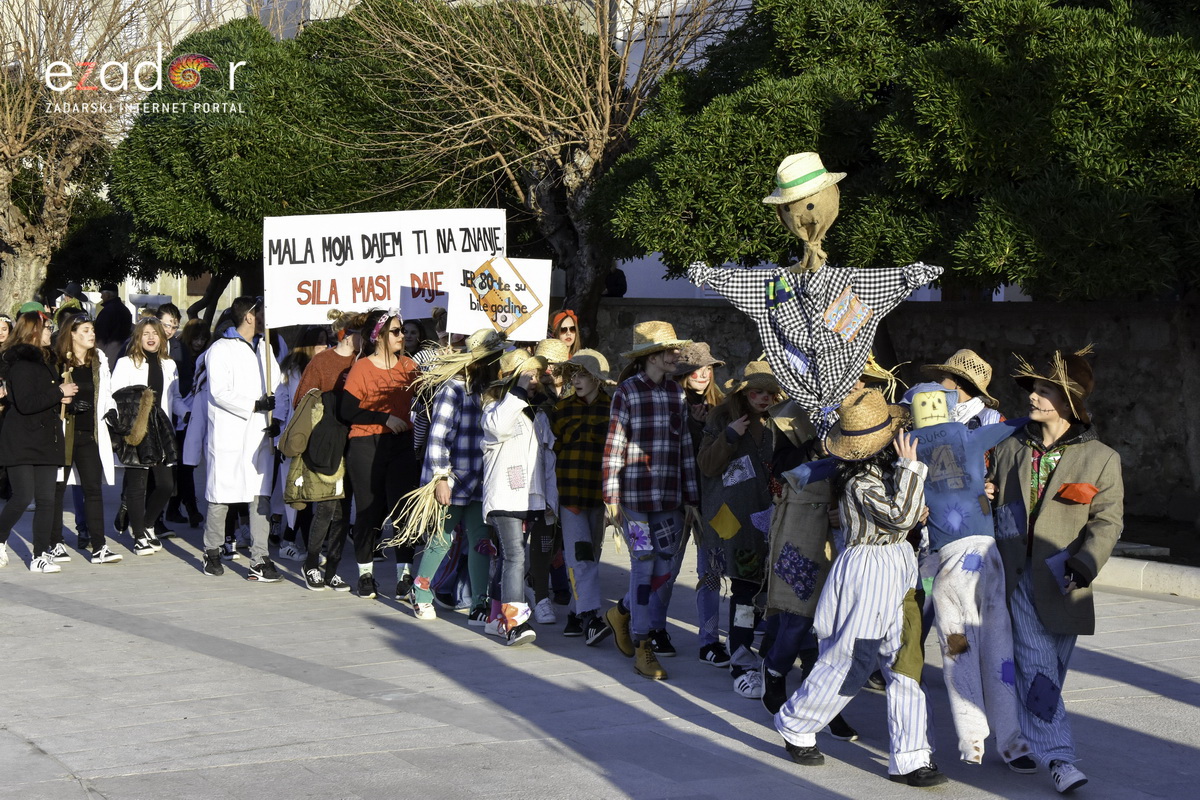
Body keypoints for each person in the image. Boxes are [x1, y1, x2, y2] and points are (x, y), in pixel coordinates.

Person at [774, 388, 946, 788]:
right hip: (867, 569)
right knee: (852, 658)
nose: (904, 442)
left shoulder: (887, 473)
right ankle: (796, 723)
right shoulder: (858, 480)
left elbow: (904, 519)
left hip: (899, 565)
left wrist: (914, 500)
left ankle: (911, 757)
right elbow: (900, 516)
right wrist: (910, 471)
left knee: (906, 662)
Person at [991, 347, 1123, 794]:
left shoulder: (1102, 458)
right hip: (1015, 576)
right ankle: (1061, 759)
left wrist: (1084, 565)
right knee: (1037, 666)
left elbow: (1107, 521)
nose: (1034, 396)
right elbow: (998, 503)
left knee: (1049, 671)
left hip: (1066, 578)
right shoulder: (1009, 446)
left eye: (1046, 390)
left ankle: (1021, 737)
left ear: (1068, 402)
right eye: (1035, 388)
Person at [900, 381, 1032, 771]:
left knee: (958, 654)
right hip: (987, 563)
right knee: (999, 653)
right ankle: (1012, 742)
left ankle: (971, 741)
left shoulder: (908, 445)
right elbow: (1014, 425)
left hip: (946, 568)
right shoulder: (971, 436)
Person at [600, 321, 698, 681]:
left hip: (670, 498)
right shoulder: (627, 392)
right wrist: (611, 496)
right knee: (643, 565)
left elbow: (684, 445)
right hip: (635, 498)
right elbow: (614, 446)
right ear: (652, 356)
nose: (678, 355)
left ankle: (622, 612)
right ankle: (643, 644)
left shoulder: (677, 393)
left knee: (665, 569)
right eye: (672, 350)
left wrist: (691, 496)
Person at [406, 330, 505, 623]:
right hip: (453, 477)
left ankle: (478, 602)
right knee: (442, 538)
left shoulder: (491, 390)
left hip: (479, 477)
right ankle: (420, 590)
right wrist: (440, 478)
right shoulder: (453, 388)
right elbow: (438, 436)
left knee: (479, 540)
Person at [696, 362, 782, 698]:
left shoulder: (780, 420)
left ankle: (754, 651)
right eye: (756, 391)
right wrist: (730, 435)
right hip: (736, 522)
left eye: (769, 392)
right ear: (743, 393)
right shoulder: (720, 418)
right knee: (744, 592)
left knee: (765, 593)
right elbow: (706, 465)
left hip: (774, 520)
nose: (763, 398)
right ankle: (741, 661)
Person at [199, 297, 283, 583]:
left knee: (260, 496)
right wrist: (254, 405)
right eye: (261, 313)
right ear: (249, 316)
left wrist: (276, 419)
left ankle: (260, 558)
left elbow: (277, 387)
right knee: (223, 493)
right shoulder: (220, 349)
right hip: (231, 434)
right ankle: (211, 549)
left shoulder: (264, 346)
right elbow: (220, 392)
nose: (264, 319)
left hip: (259, 433)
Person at [340, 310, 419, 599]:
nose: (402, 336)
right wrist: (384, 417)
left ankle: (404, 577)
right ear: (380, 336)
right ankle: (365, 576)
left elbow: (427, 396)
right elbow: (347, 410)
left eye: (402, 331)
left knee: (404, 511)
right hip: (366, 445)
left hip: (401, 445)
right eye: (396, 331)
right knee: (369, 510)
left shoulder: (409, 367)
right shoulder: (362, 368)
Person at [478, 348, 555, 645]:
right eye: (528, 374)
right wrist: (520, 390)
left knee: (514, 559)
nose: (533, 379)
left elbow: (544, 460)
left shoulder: (533, 412)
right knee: (515, 556)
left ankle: (496, 616)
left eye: (535, 375)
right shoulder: (495, 408)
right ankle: (515, 622)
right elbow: (497, 428)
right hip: (504, 498)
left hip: (527, 499)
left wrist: (546, 499)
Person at [290, 310, 364, 591]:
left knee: (345, 510)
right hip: (326, 444)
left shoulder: (364, 362)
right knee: (326, 507)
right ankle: (311, 563)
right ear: (348, 335)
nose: (368, 340)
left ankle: (332, 568)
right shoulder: (323, 361)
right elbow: (301, 399)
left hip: (354, 443)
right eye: (363, 335)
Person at [0, 311, 76, 572]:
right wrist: (58, 392)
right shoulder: (20, 364)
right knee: (22, 496)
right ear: (33, 331)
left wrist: (60, 398)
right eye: (46, 328)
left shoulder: (46, 361)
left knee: (47, 499)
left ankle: (40, 555)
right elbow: (26, 402)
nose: (49, 332)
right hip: (21, 439)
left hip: (46, 438)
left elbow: (43, 397)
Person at [673, 342, 729, 667]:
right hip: (677, 502)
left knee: (712, 572)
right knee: (667, 569)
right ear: (684, 374)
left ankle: (709, 641)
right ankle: (648, 628)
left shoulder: (722, 408)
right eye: (697, 368)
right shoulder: (670, 405)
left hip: (712, 504)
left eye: (708, 368)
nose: (704, 374)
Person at [553, 349, 612, 643]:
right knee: (581, 556)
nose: (576, 379)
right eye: (573, 373)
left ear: (597, 379)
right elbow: (554, 452)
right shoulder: (562, 409)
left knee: (593, 555)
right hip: (571, 493)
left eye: (584, 374)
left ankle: (576, 614)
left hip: (600, 495)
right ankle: (591, 617)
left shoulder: (612, 408)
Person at [54, 313, 120, 563]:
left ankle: (99, 546)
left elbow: (107, 392)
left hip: (90, 434)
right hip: (63, 433)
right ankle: (55, 542)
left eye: (92, 329)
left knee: (93, 489)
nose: (91, 334)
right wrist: (67, 406)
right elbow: (50, 394)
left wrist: (111, 409)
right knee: (57, 488)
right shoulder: (58, 360)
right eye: (85, 330)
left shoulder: (99, 359)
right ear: (71, 333)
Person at [110, 317, 179, 556]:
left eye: (155, 333)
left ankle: (148, 524)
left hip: (161, 429)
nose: (151, 338)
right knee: (137, 485)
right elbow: (115, 396)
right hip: (136, 430)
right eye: (145, 334)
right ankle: (138, 534)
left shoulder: (169, 365)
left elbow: (175, 398)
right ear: (137, 338)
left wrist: (189, 411)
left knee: (165, 484)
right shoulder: (126, 363)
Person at [274, 325, 329, 562]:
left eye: (326, 341)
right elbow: (282, 403)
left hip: (320, 438)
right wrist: (278, 438)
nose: (324, 346)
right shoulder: (292, 369)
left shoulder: (327, 367)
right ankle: (291, 542)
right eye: (319, 342)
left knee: (311, 492)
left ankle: (306, 544)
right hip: (297, 437)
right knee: (299, 492)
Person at [165, 318, 210, 528]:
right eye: (197, 337)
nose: (199, 342)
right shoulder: (178, 355)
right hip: (178, 416)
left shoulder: (205, 357)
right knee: (182, 466)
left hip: (194, 417)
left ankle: (178, 509)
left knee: (185, 466)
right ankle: (189, 508)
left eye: (203, 338)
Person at [921, 349, 1003, 428]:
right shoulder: (935, 417)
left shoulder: (991, 421)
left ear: (958, 383)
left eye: (942, 378)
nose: (937, 384)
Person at [94, 282, 132, 366]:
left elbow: (101, 335)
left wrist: (97, 354)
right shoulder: (125, 309)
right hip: (123, 352)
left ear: (107, 294)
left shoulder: (107, 311)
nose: (101, 297)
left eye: (102, 294)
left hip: (108, 355)